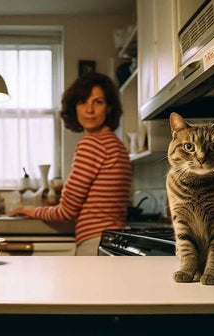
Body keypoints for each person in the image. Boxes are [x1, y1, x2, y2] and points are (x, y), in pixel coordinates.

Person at [8, 72, 132, 256]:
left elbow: (65, 212)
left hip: (94, 243)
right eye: (83, 102)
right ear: (75, 107)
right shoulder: (117, 145)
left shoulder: (92, 144)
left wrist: (31, 210)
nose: (89, 110)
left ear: (109, 108)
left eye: (98, 102)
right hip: (113, 242)